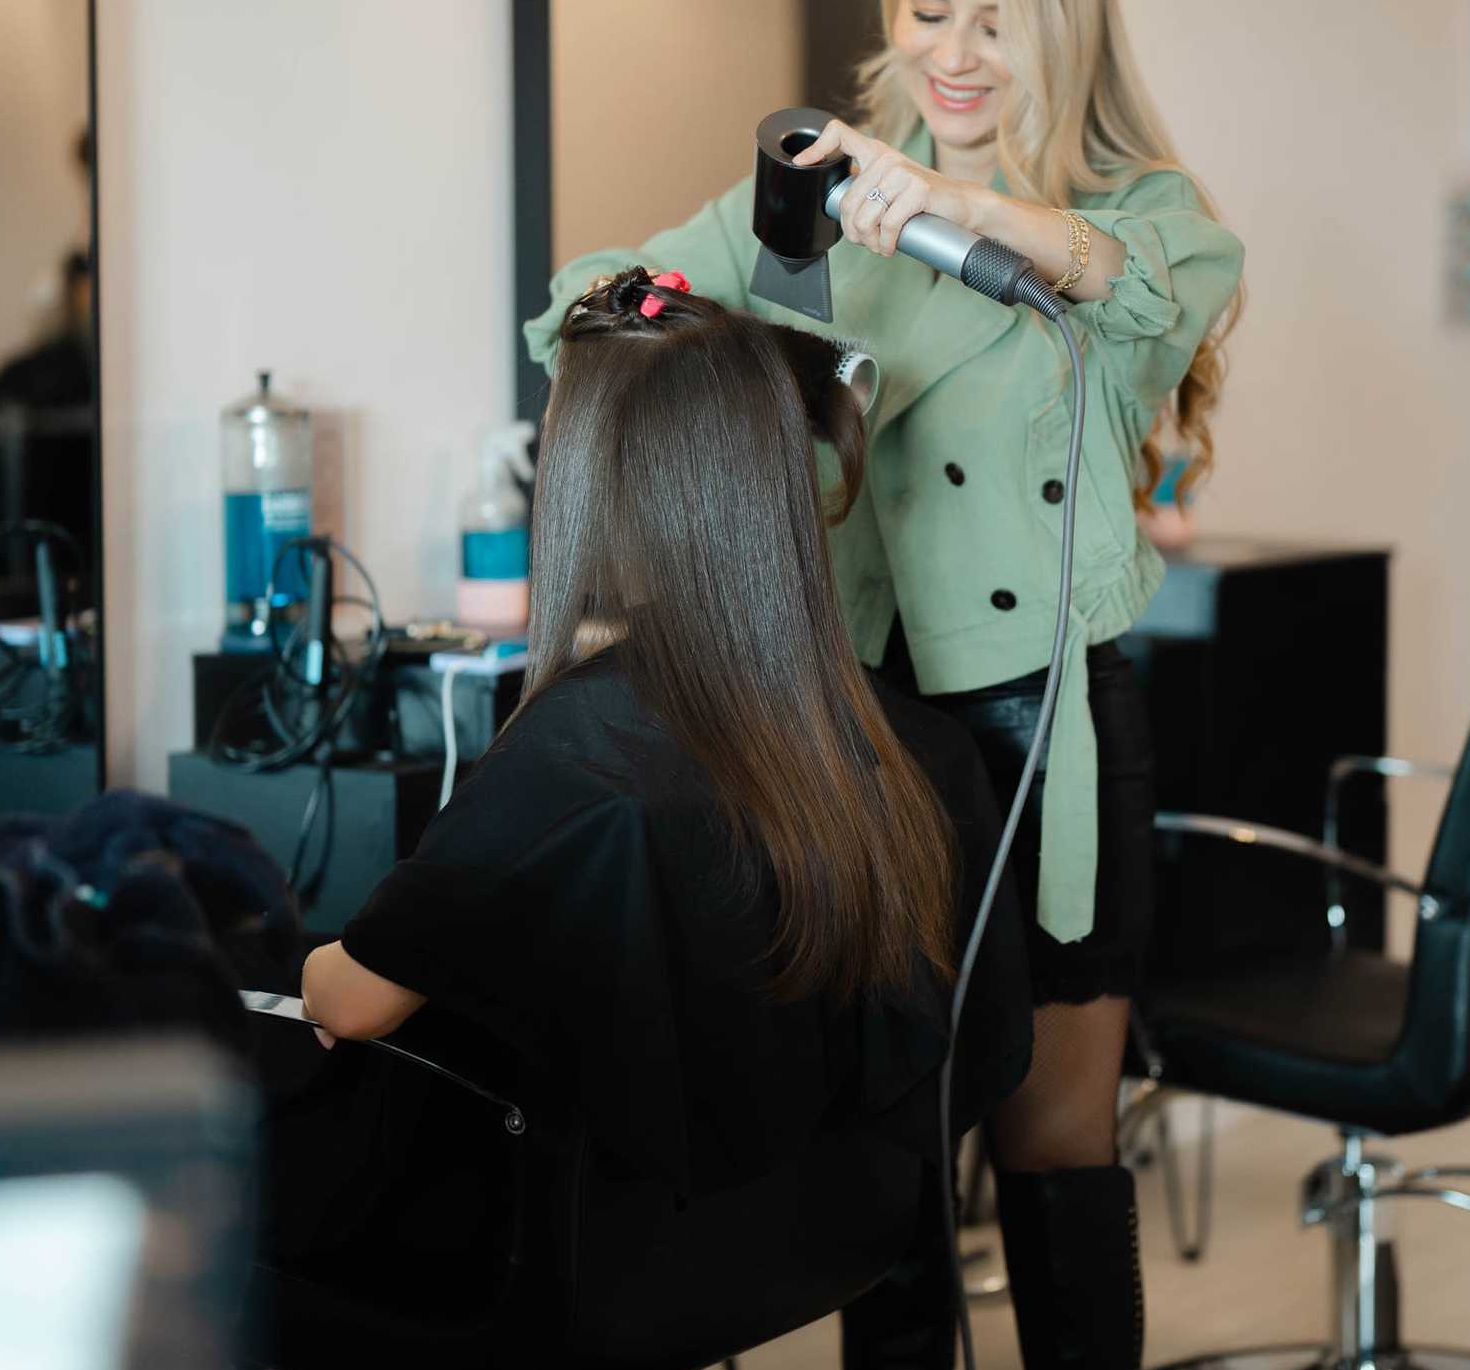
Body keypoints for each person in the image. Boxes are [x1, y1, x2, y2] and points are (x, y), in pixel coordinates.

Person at [525, 0, 1244, 1370]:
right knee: (886, 1148)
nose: (950, 52)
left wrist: (956, 208)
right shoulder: (842, 197)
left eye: (992, 22)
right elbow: (578, 306)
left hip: (1044, 737)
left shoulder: (1146, 217)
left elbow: (1136, 291)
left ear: (1059, 29)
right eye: (928, 13)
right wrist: (687, 283)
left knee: (1052, 1148)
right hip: (867, 739)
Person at [300, 270, 1031, 1235]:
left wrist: (297, 965)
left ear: (590, 493)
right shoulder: (908, 745)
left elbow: (350, 1005)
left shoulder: (578, 754)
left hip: (588, 1281)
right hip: (800, 1257)